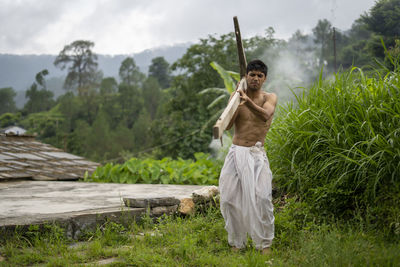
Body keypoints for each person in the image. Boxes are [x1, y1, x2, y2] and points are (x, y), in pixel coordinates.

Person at [219, 59, 277, 255]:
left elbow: (265, 116)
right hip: (237, 153)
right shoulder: (237, 98)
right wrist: (235, 99)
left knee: (262, 198)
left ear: (264, 79)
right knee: (229, 199)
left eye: (260, 76)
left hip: (257, 155)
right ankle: (237, 242)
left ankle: (264, 244)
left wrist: (247, 100)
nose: (255, 79)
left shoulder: (270, 97)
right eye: (252, 74)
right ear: (246, 77)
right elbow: (226, 126)